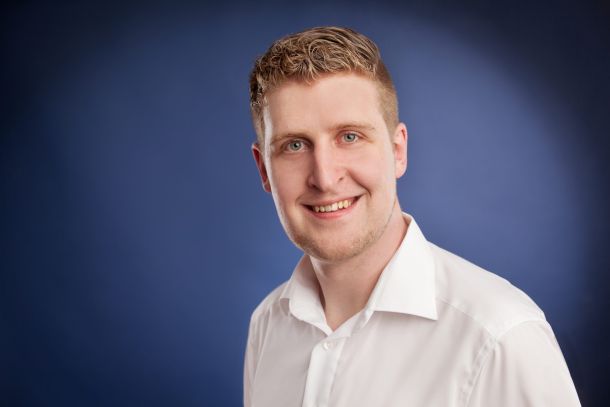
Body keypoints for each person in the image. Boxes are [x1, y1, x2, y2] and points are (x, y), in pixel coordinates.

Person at [244, 26, 581, 407]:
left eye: (350, 137)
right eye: (294, 145)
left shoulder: (499, 338)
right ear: (263, 170)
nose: (324, 176)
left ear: (398, 151)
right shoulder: (267, 325)